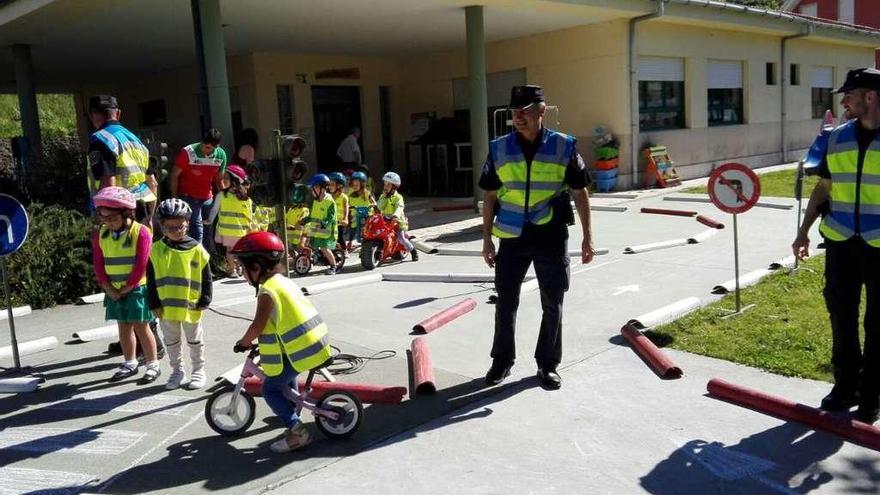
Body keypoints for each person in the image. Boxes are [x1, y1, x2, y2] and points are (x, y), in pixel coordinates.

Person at [480, 85, 594, 391]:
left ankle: (547, 365)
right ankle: (501, 361)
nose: (518, 118)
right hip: (512, 237)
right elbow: (490, 197)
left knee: (552, 302)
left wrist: (587, 238)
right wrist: (487, 239)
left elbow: (580, 192)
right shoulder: (499, 148)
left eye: (526, 111)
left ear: (542, 111)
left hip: (551, 234)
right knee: (506, 302)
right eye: (514, 112)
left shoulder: (563, 146)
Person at [792, 67, 880, 424]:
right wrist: (803, 232)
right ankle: (845, 388)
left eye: (850, 95)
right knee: (841, 318)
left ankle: (872, 396)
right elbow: (824, 188)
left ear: (870, 97)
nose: (844, 101)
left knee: (878, 325)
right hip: (841, 242)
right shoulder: (836, 138)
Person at [231, 231, 333, 453]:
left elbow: (257, 326)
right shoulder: (283, 282)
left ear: (256, 267)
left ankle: (298, 432)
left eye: (243, 268)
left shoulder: (267, 293)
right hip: (311, 342)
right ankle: (291, 410)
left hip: (302, 349)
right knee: (285, 379)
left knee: (270, 390)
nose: (242, 274)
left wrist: (244, 342)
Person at [91, 187, 161, 384]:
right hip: (114, 289)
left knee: (141, 326)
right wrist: (108, 287)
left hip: (136, 288)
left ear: (126, 213)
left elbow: (141, 265)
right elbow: (98, 263)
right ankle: (130, 362)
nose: (107, 221)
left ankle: (153, 364)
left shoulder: (142, 232)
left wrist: (127, 288)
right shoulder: (101, 233)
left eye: (112, 217)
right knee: (123, 327)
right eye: (103, 217)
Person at [147, 199, 213, 390]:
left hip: (191, 306)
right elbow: (151, 279)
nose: (176, 231)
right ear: (162, 226)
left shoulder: (196, 249)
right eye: (170, 227)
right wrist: (153, 302)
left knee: (195, 340)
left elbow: (206, 277)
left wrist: (205, 298)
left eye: (180, 226)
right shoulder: (156, 250)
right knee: (172, 341)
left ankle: (199, 370)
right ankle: (177, 371)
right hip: (166, 307)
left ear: (187, 223)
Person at [86, 94, 158, 226]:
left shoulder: (100, 140)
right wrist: (150, 218)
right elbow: (152, 183)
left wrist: (101, 220)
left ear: (92, 115)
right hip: (142, 211)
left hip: (117, 216)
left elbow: (108, 183)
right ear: (118, 114)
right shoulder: (137, 141)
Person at [171, 128, 228, 244]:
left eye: (208, 148)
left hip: (207, 198)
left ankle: (210, 257)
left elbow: (219, 180)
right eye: (203, 145)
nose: (204, 149)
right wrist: (175, 198)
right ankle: (199, 258)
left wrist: (227, 198)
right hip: (189, 196)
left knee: (209, 228)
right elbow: (174, 175)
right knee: (197, 230)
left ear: (216, 147)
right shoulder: (187, 152)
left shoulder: (221, 155)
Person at [206, 165, 256, 277]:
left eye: (226, 178)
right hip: (238, 231)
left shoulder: (223, 195)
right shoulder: (245, 198)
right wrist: (210, 220)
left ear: (235, 180)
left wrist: (210, 220)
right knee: (237, 251)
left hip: (231, 230)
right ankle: (235, 269)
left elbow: (215, 209)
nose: (223, 180)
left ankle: (235, 269)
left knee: (231, 251)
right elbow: (215, 209)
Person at [377, 172, 418, 261]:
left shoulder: (398, 197)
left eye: (388, 185)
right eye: (385, 184)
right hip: (385, 220)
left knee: (401, 238)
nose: (385, 186)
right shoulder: (382, 196)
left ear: (394, 186)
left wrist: (395, 216)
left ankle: (413, 251)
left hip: (398, 221)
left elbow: (399, 207)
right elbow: (379, 207)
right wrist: (384, 197)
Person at [305, 174, 339, 275]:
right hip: (316, 230)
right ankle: (320, 258)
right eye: (312, 189)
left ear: (323, 188)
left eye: (314, 188)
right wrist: (305, 220)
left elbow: (331, 217)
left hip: (327, 231)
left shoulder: (330, 202)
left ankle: (333, 267)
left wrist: (323, 224)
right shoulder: (316, 202)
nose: (312, 191)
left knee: (324, 248)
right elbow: (313, 215)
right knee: (309, 243)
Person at [347, 171, 376, 251]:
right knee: (353, 226)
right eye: (353, 185)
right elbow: (346, 202)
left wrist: (373, 204)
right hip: (356, 214)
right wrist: (348, 206)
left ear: (362, 184)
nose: (355, 187)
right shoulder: (350, 193)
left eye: (357, 185)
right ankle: (350, 241)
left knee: (370, 224)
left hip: (366, 213)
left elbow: (373, 201)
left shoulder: (367, 193)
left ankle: (371, 239)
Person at [285, 184, 311, 253]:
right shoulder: (291, 209)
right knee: (288, 248)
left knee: (301, 247)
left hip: (302, 235)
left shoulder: (305, 210)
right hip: (291, 235)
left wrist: (292, 227)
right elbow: (286, 220)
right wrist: (286, 226)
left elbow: (300, 223)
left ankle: (309, 258)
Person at [328, 172, 350, 250]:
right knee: (331, 237)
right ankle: (335, 250)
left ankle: (344, 250)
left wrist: (346, 218)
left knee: (339, 237)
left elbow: (346, 209)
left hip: (340, 222)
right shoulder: (329, 197)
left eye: (332, 184)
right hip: (331, 221)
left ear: (339, 186)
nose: (329, 186)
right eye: (329, 184)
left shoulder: (344, 197)